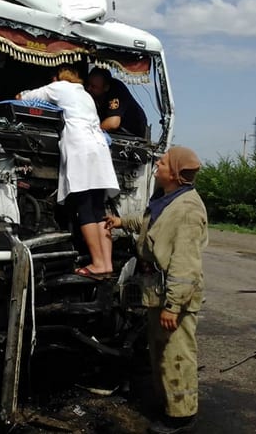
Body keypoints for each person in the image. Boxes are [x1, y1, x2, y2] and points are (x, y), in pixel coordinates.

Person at [105, 146, 207, 434]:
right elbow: (150, 224)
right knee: (161, 350)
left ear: (174, 173)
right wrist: (122, 221)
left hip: (174, 298)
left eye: (161, 163)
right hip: (158, 292)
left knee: (177, 354)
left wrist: (173, 306)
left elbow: (186, 266)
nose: (156, 166)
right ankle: (168, 404)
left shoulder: (187, 210)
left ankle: (182, 416)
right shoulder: (168, 199)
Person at [17, 64, 119, 277]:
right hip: (98, 148)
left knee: (84, 207)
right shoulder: (86, 96)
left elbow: (24, 98)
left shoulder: (59, 87)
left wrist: (21, 94)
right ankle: (107, 264)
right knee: (99, 209)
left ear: (58, 77)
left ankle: (97, 264)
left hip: (80, 147)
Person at [86, 68, 148, 138]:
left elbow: (113, 123)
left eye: (93, 87)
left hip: (131, 134)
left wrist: (89, 133)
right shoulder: (89, 93)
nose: (88, 89)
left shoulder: (116, 90)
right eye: (88, 84)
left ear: (106, 87)